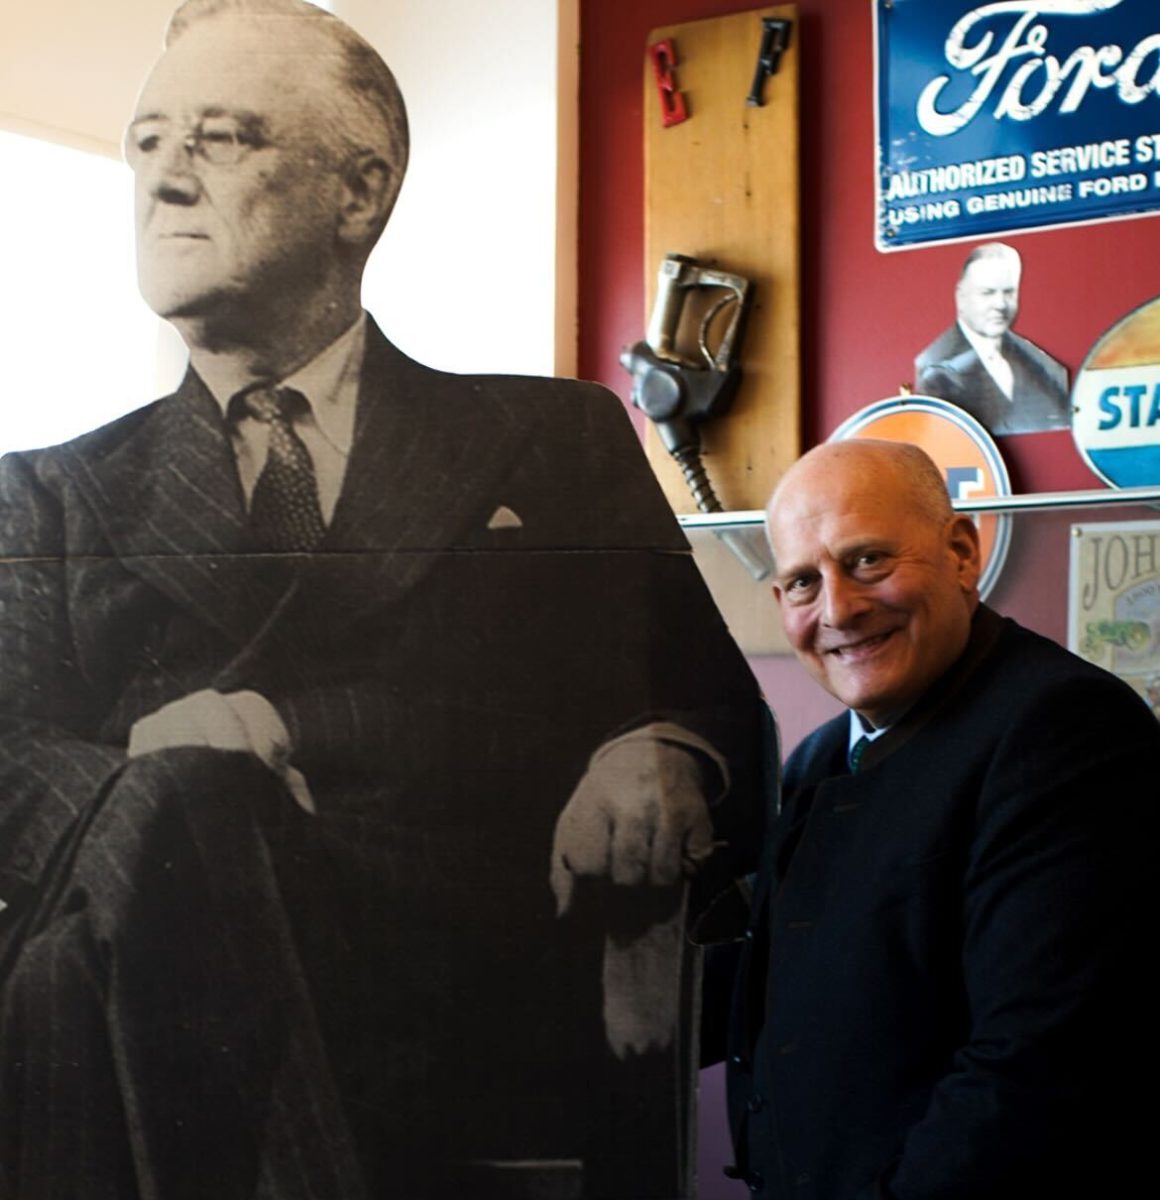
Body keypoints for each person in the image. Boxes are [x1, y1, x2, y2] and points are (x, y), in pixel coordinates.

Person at [0, 2, 765, 1197]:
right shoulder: (44, 493)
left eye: (218, 138)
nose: (163, 181)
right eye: (145, 144)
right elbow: (10, 774)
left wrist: (661, 747)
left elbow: (718, 710)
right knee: (177, 813)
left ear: (358, 192)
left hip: (458, 984)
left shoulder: (547, 440)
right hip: (153, 987)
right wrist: (173, 785)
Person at [709, 438, 1157, 1198]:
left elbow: (1031, 1071)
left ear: (959, 552)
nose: (839, 609)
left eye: (868, 560)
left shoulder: (1063, 728)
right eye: (801, 583)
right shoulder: (816, 760)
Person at [914, 242, 1070, 436]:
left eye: (1009, 292)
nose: (1000, 304)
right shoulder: (937, 371)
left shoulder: (1042, 365)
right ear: (961, 297)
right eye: (987, 293)